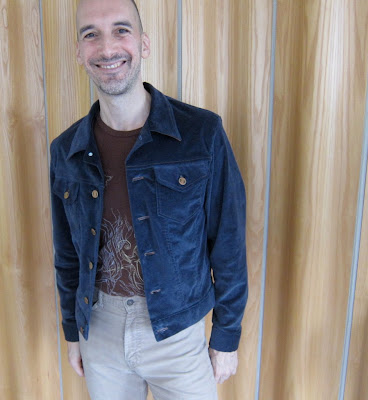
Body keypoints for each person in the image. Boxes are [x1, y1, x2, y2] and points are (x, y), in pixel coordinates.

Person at [50, 0, 247, 398]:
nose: (107, 48)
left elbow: (228, 242)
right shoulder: (65, 150)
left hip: (179, 333)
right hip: (99, 331)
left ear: (144, 44)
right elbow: (67, 253)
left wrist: (227, 335)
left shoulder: (201, 134)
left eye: (121, 30)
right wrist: (73, 331)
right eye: (91, 34)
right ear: (79, 52)